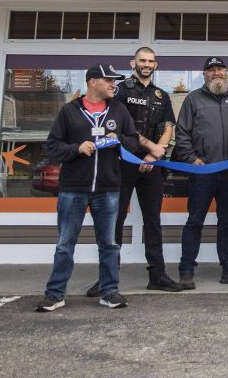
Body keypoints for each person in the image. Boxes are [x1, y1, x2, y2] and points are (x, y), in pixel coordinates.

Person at [35, 64, 142, 312]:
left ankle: (109, 291)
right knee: (65, 243)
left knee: (109, 243)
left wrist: (120, 140)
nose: (114, 84)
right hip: (73, 188)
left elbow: (134, 143)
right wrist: (76, 149)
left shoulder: (119, 110)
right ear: (93, 82)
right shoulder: (69, 111)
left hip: (108, 188)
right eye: (109, 80)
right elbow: (52, 146)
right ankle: (54, 294)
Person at [84, 47, 177, 297]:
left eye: (150, 61)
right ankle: (107, 277)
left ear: (156, 65)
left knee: (153, 221)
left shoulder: (162, 95)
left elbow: (168, 125)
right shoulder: (120, 91)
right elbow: (119, 128)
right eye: (142, 61)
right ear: (133, 63)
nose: (146, 64)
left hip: (152, 165)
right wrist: (150, 147)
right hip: (122, 163)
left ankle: (157, 275)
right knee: (116, 221)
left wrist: (157, 152)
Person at [173, 57, 228, 289]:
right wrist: (192, 158)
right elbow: (182, 133)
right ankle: (186, 269)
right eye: (211, 70)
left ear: (226, 72)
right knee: (194, 220)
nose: (216, 73)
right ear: (204, 74)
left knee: (227, 221)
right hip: (202, 171)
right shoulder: (193, 99)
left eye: (220, 69)